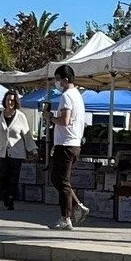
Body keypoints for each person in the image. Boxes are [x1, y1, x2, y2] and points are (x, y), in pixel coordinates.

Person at [49, 64, 88, 230]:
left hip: (65, 144)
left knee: (61, 181)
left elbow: (64, 121)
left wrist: (50, 118)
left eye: (58, 79)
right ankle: (77, 204)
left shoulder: (66, 96)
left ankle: (66, 217)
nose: (56, 83)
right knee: (58, 179)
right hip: (74, 143)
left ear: (65, 80)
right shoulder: (78, 96)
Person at [0, 91, 37, 211]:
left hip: (17, 152)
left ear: (16, 101)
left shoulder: (20, 116)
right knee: (3, 177)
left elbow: (27, 134)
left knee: (13, 178)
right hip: (2, 151)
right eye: (8, 100)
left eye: (12, 100)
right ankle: (6, 196)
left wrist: (33, 149)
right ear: (4, 101)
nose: (10, 102)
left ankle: (11, 200)